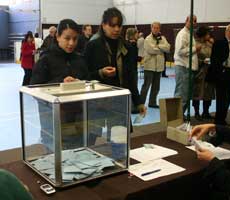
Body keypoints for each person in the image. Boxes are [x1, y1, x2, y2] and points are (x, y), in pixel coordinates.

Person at [30, 19, 90, 150]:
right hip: (52, 124)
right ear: (57, 37)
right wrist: (60, 83)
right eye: (67, 38)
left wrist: (80, 83)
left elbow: (88, 82)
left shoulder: (79, 59)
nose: (71, 43)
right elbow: (34, 89)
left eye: (75, 39)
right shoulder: (45, 59)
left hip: (78, 122)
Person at [84, 7, 146, 116]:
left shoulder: (126, 47)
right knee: (95, 133)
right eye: (112, 25)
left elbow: (130, 77)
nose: (117, 29)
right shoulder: (92, 46)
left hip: (120, 102)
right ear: (103, 25)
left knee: (120, 132)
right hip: (97, 102)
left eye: (119, 25)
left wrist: (138, 102)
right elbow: (84, 76)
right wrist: (101, 73)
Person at [207, 24, 230, 126]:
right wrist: (220, 73)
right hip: (222, 74)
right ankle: (218, 121)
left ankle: (222, 119)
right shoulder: (219, 43)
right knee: (221, 99)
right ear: (226, 32)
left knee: (227, 99)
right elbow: (214, 60)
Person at [140, 22, 170, 108]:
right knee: (146, 86)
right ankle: (141, 103)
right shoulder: (147, 39)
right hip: (149, 66)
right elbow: (151, 50)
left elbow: (168, 48)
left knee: (156, 87)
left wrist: (158, 46)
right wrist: (161, 48)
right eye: (154, 28)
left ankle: (152, 102)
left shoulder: (162, 38)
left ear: (159, 29)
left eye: (157, 28)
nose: (156, 29)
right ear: (151, 28)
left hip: (159, 66)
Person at [173, 15, 199, 114]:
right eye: (191, 21)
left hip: (189, 68)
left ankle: (180, 116)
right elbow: (180, 51)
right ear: (186, 21)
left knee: (187, 95)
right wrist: (195, 49)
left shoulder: (190, 34)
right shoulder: (183, 34)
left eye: (195, 21)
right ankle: (176, 118)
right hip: (183, 67)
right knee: (181, 94)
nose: (194, 23)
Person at [193, 26, 215, 120]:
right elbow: (192, 58)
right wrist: (202, 61)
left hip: (209, 71)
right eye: (207, 33)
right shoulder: (195, 44)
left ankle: (206, 112)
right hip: (199, 72)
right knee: (197, 92)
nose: (209, 35)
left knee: (208, 93)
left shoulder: (210, 44)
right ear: (203, 34)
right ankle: (197, 113)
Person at [124, 27, 140, 114]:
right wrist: (140, 58)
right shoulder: (133, 45)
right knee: (133, 88)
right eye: (136, 33)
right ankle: (132, 107)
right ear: (133, 35)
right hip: (132, 69)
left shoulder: (126, 43)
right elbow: (133, 58)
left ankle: (130, 106)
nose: (138, 35)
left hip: (130, 69)